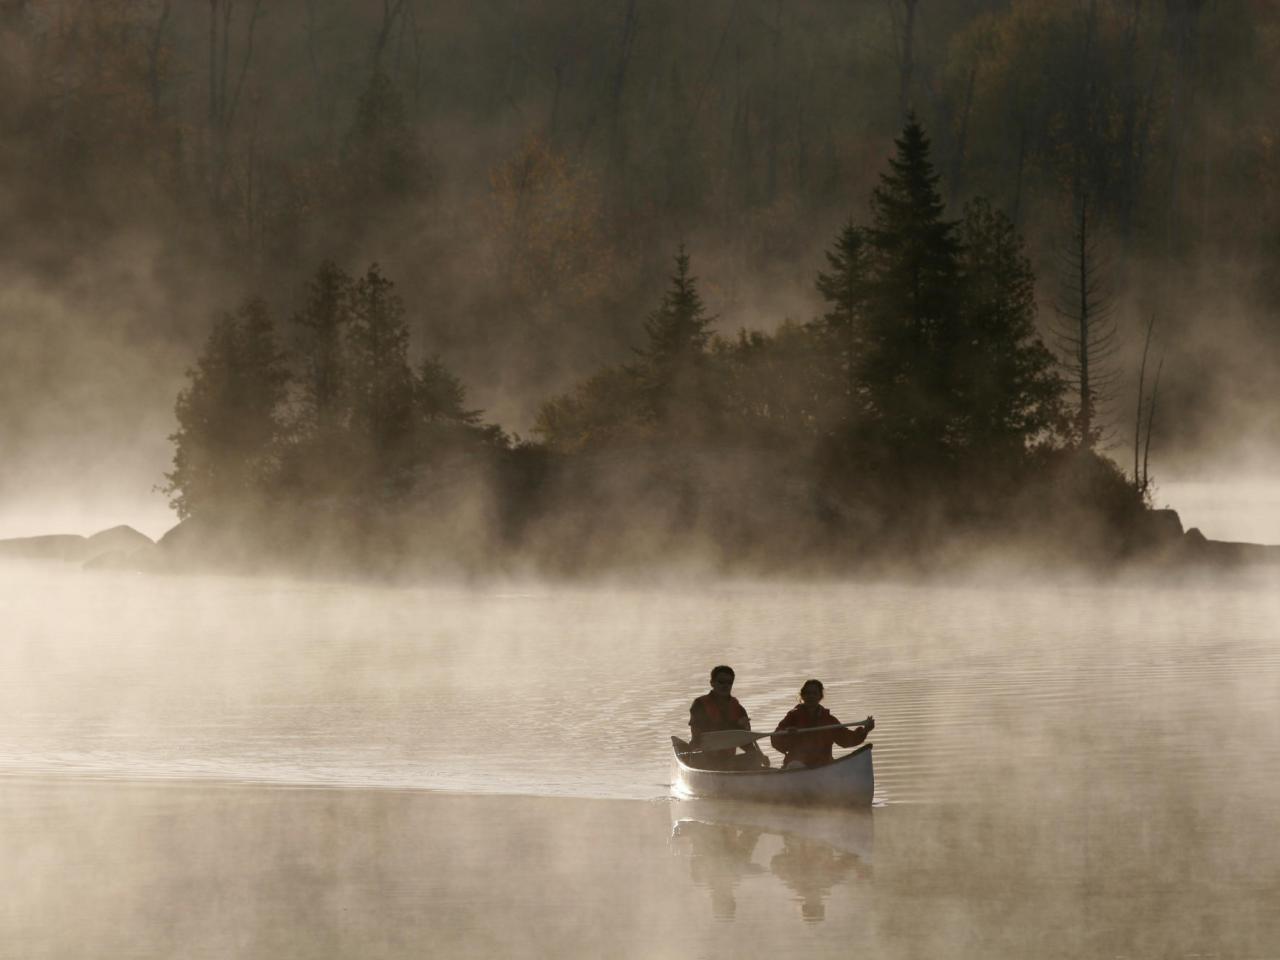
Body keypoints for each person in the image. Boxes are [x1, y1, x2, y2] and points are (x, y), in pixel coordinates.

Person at [770, 679, 874, 769]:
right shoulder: (792, 716)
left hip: (823, 766)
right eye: (807, 693)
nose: (811, 696)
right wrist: (786, 735)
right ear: (802, 695)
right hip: (797, 765)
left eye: (814, 693)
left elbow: (845, 740)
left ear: (820, 696)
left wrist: (865, 731)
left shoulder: (828, 719)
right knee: (794, 765)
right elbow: (775, 740)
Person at [688, 665, 770, 770]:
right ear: (712, 683)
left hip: (728, 760)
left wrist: (758, 755)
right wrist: (736, 725)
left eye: (729, 683)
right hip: (704, 758)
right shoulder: (699, 704)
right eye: (721, 682)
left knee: (755, 757)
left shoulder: (739, 709)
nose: (725, 686)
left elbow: (745, 741)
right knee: (699, 758)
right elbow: (698, 736)